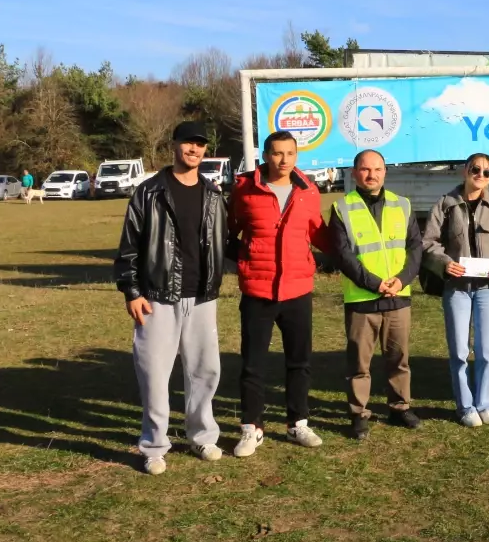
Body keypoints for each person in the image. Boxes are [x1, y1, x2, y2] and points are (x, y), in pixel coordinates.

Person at [113, 122, 226, 474]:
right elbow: (129, 246)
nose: (194, 149)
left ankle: (202, 436)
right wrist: (132, 291)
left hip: (202, 296)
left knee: (204, 370)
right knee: (154, 373)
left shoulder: (213, 193)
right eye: (188, 143)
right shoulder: (149, 192)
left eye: (200, 144)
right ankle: (154, 446)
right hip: (157, 297)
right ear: (174, 145)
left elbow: (223, 242)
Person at [228, 130, 333, 456]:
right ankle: (251, 428)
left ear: (296, 155)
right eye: (277, 153)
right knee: (253, 364)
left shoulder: (308, 190)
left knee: (299, 362)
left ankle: (297, 423)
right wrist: (245, 259)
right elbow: (227, 232)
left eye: (289, 153)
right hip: (257, 290)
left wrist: (348, 254)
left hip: (297, 290)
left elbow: (318, 233)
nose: (283, 159)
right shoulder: (245, 189)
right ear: (265, 156)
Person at [329, 149, 424, 439]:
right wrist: (374, 283)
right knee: (359, 362)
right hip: (362, 299)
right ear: (354, 173)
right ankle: (359, 413)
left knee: (399, 358)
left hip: (398, 296)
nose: (372, 175)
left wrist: (402, 279)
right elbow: (343, 255)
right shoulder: (341, 208)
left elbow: (415, 248)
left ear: (385, 172)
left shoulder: (402, 204)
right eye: (365, 169)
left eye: (377, 169)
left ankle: (400, 407)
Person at [422, 153, 489, 427]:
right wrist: (444, 263)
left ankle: (485, 404)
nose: (480, 175)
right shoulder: (445, 204)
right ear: (465, 171)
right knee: (459, 351)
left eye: (487, 172)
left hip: (488, 288)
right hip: (457, 288)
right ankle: (465, 407)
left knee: (488, 351)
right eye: (476, 169)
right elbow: (429, 242)